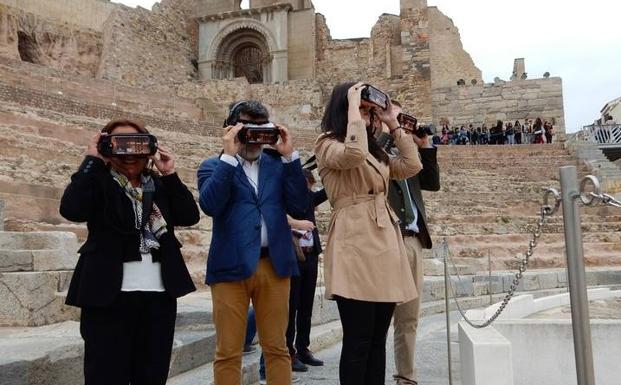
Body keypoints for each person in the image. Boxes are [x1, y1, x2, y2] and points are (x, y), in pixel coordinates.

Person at [59, 119, 200, 385]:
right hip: (107, 297)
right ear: (106, 148)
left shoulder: (158, 186)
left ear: (149, 148)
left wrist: (170, 174)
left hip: (158, 297)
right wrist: (92, 160)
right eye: (118, 145)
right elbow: (72, 209)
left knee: (152, 376)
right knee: (104, 376)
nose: (129, 153)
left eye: (136, 145)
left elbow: (189, 216)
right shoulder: (98, 182)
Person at [314, 82, 422, 385]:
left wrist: (391, 123)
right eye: (362, 109)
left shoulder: (378, 151)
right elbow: (353, 155)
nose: (366, 116)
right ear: (344, 110)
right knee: (358, 340)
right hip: (355, 240)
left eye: (368, 111)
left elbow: (412, 165)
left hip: (385, 241)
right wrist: (353, 109)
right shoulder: (326, 143)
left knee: (377, 340)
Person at [197, 100, 308, 385]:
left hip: (275, 264)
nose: (255, 135)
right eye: (248, 127)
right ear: (232, 129)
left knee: (277, 348)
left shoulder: (277, 165)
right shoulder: (213, 166)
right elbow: (211, 205)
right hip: (230, 268)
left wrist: (290, 157)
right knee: (228, 352)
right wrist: (229, 158)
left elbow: (298, 205)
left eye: (262, 128)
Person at [378, 103, 440, 385]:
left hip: (413, 240)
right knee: (378, 318)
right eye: (393, 116)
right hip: (386, 240)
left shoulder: (408, 153)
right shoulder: (374, 148)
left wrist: (424, 146)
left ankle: (407, 377)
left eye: (402, 118)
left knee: (409, 316)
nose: (399, 122)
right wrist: (389, 131)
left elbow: (431, 182)